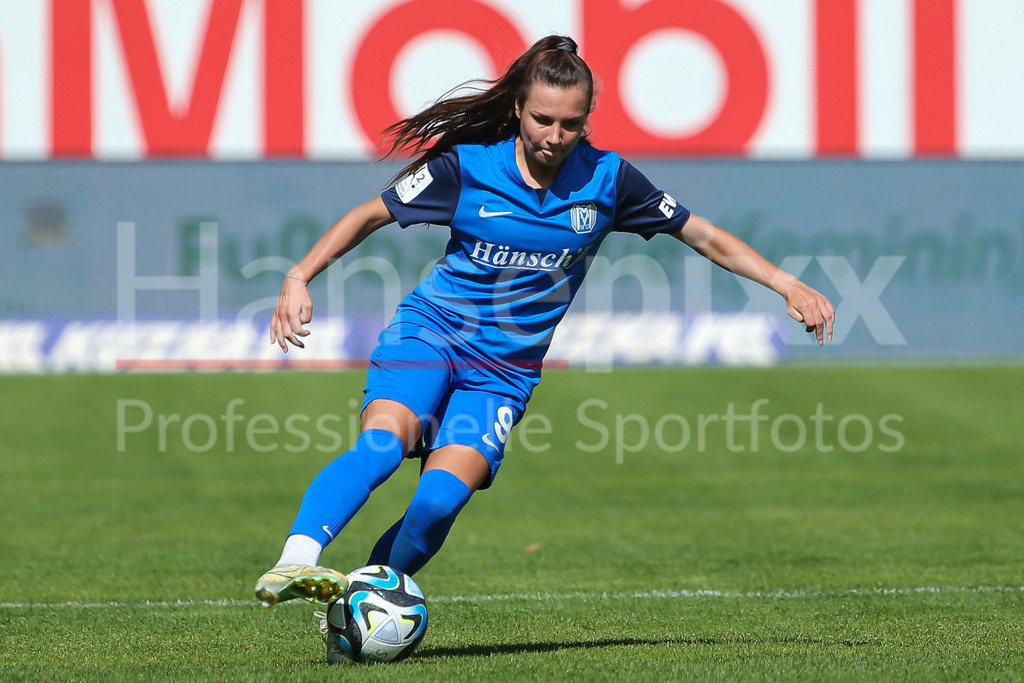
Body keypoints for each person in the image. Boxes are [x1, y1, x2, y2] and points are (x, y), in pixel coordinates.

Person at [253, 35, 834, 611]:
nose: (555, 136)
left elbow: (703, 235)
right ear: (517, 108)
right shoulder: (468, 168)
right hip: (429, 335)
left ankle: (363, 605)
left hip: (502, 373)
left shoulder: (608, 180)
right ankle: (295, 559)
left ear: (587, 120)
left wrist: (786, 282)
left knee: (436, 503)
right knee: (383, 446)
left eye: (571, 124)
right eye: (543, 120)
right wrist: (299, 275)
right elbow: (369, 215)